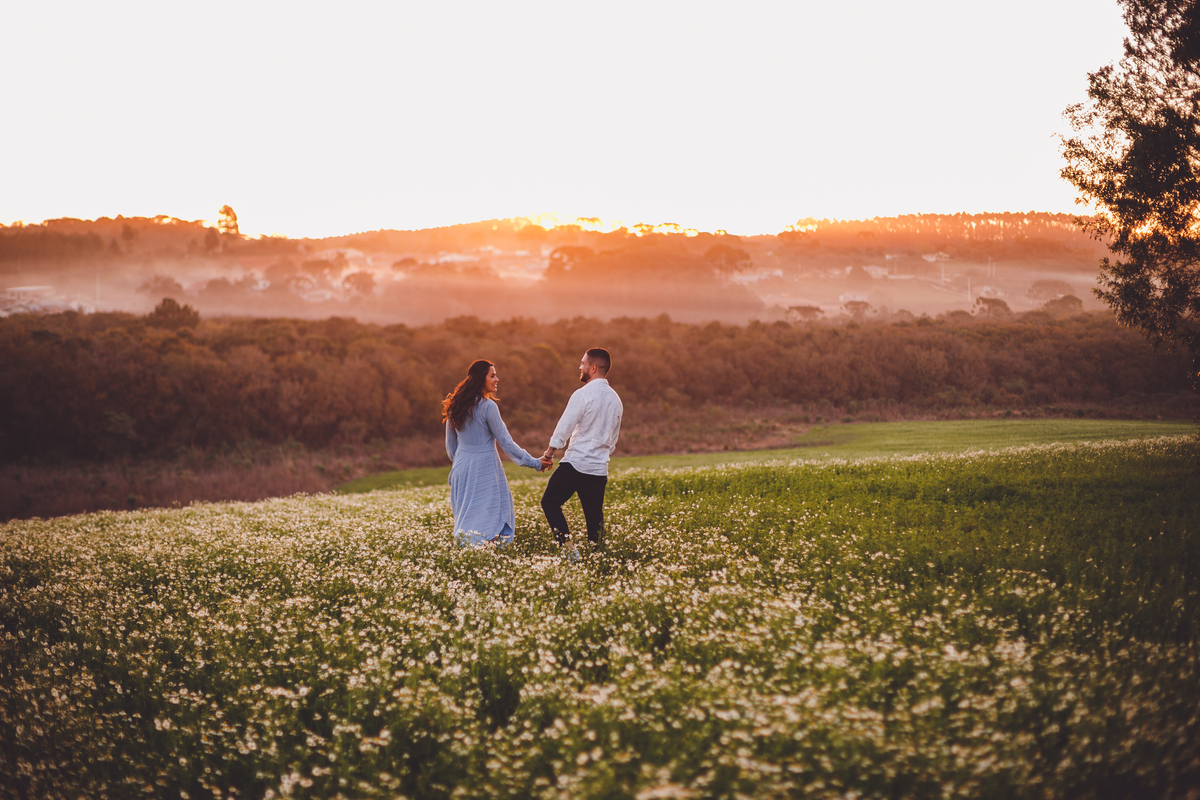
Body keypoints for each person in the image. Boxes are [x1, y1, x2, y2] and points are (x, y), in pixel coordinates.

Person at [443, 359, 544, 546]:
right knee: (490, 518)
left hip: (461, 469)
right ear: (482, 378)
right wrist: (534, 462)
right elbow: (506, 442)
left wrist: (461, 463)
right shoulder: (488, 407)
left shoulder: (454, 406)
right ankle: (484, 559)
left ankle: (471, 560)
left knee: (467, 521)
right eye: (493, 375)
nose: (497, 379)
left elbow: (451, 448)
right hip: (485, 469)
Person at [540, 348, 623, 548]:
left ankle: (568, 550)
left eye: (583, 363)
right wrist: (601, 454)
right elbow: (612, 440)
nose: (580, 367)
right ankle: (598, 560)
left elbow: (564, 428)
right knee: (594, 520)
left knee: (549, 503)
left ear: (593, 368)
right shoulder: (616, 400)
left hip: (576, 464)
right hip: (598, 469)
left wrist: (549, 454)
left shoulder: (582, 395)